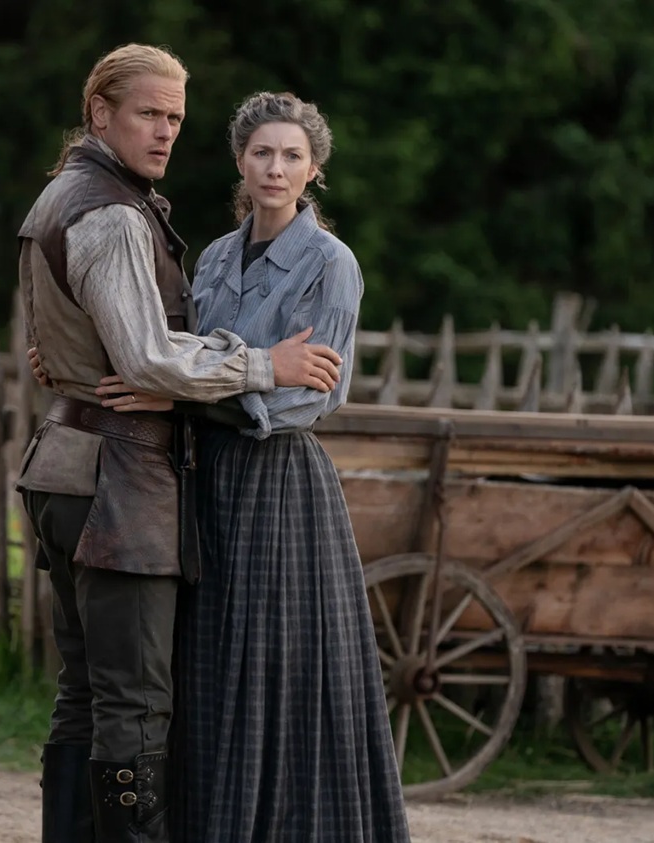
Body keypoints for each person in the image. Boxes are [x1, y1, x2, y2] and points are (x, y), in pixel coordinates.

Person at [15, 46, 346, 843]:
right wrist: (266, 365)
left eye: (175, 118)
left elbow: (78, 335)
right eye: (148, 114)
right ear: (101, 114)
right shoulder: (110, 212)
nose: (165, 132)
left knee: (86, 692)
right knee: (132, 704)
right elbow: (148, 357)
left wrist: (70, 363)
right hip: (116, 482)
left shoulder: (63, 195)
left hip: (68, 462)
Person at [96, 92, 413, 841]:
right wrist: (228, 376)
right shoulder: (211, 257)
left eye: (292, 156)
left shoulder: (331, 264)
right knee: (206, 660)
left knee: (271, 667)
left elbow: (310, 398)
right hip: (203, 480)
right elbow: (171, 353)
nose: (276, 168)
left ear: (314, 170)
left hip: (279, 485)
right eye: (263, 153)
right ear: (240, 161)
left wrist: (190, 395)